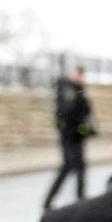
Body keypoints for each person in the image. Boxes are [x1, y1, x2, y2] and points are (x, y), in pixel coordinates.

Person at [43, 65, 94, 210]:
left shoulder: (79, 89)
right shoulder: (65, 88)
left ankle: (80, 200)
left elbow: (86, 109)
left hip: (78, 135)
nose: (80, 77)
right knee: (68, 166)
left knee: (80, 167)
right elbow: (67, 110)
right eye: (78, 74)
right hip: (67, 135)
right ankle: (48, 201)